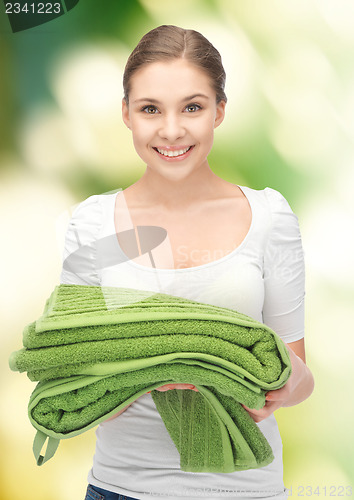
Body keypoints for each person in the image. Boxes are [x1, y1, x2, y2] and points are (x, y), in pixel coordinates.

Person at [60, 25, 314, 500]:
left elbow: (297, 374)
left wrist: (280, 383)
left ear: (219, 111)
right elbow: (76, 380)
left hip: (244, 491)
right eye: (150, 109)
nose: (171, 130)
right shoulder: (92, 222)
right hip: (120, 489)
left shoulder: (269, 218)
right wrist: (153, 367)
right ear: (126, 114)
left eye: (192, 107)